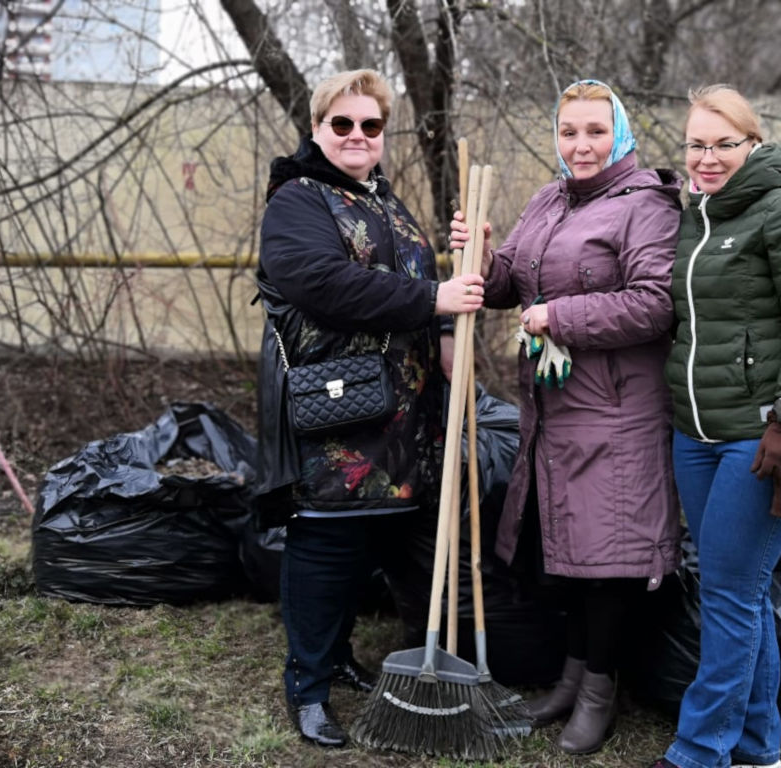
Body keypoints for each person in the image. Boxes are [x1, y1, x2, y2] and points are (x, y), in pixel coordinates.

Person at [450, 79, 684, 755]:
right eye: (569, 131)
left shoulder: (646, 206)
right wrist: (481, 252)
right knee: (572, 556)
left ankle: (600, 696)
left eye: (595, 130)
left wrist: (561, 316)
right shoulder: (548, 198)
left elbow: (654, 304)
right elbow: (504, 289)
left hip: (616, 413)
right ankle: (571, 679)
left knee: (609, 562)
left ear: (623, 134)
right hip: (553, 410)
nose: (580, 145)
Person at [252, 69, 484, 749]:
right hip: (338, 409)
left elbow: (425, 282)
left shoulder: (386, 201)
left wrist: (443, 334)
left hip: (403, 406)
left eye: (371, 126)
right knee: (325, 540)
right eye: (342, 124)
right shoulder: (297, 200)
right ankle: (308, 686)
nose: (357, 136)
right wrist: (432, 302)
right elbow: (324, 284)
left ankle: (339, 655)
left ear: (384, 133)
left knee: (367, 543)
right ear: (318, 129)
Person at [649, 85, 781, 768]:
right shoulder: (693, 217)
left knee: (729, 595)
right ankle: (759, 748)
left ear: (752, 144)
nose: (707, 157)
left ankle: (699, 751)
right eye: (697, 144)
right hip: (695, 436)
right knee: (740, 594)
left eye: (723, 144)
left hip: (763, 439)